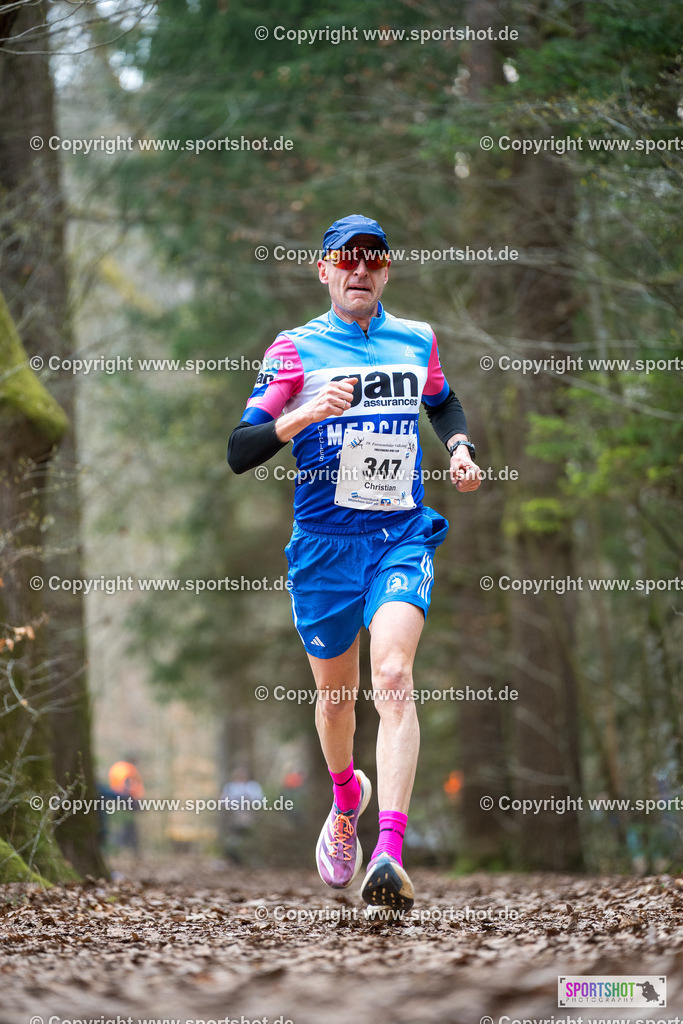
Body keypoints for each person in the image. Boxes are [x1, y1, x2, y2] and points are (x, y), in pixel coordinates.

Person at [227, 214, 481, 912]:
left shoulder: (416, 340)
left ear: (387, 270)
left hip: (399, 535)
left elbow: (444, 401)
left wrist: (459, 448)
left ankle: (389, 854)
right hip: (323, 549)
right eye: (346, 259)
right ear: (325, 271)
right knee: (336, 701)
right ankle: (346, 801)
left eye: (373, 259)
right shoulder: (293, 350)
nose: (360, 270)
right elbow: (240, 449)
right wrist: (304, 414)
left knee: (393, 675)